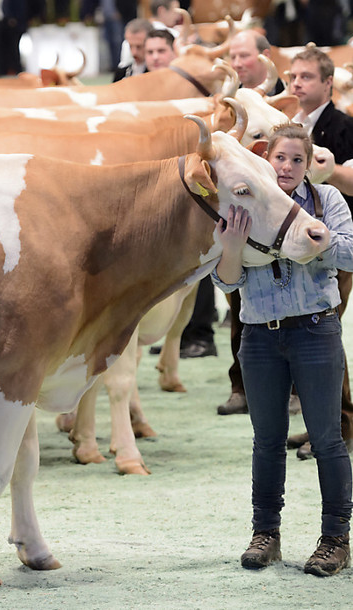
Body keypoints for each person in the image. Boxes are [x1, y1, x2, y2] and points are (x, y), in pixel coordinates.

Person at [211, 122, 353, 576]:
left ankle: (335, 539)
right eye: (280, 158)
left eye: (297, 159)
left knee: (328, 440)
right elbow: (225, 280)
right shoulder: (245, 203)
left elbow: (351, 253)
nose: (288, 166)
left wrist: (316, 240)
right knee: (266, 441)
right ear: (264, 160)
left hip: (315, 330)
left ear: (309, 163)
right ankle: (265, 534)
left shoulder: (326, 201)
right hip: (259, 336)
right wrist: (231, 247)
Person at [284, 47, 353, 456]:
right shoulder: (289, 124)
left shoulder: (343, 126)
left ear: (329, 82)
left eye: (306, 77)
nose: (296, 83)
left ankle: (340, 424)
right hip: (297, 242)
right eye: (293, 76)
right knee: (310, 333)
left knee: (324, 333)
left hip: (337, 241)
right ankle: (320, 424)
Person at [217, 30, 286, 412]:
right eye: (233, 56)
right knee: (238, 301)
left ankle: (289, 387)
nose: (238, 62)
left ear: (265, 55)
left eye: (245, 55)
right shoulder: (224, 105)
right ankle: (240, 384)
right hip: (238, 209)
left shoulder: (272, 106)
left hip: (274, 210)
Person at [228, 30, 285, 95]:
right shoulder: (228, 100)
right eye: (233, 57)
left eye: (244, 56)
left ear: (265, 55)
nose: (237, 64)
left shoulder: (288, 94)